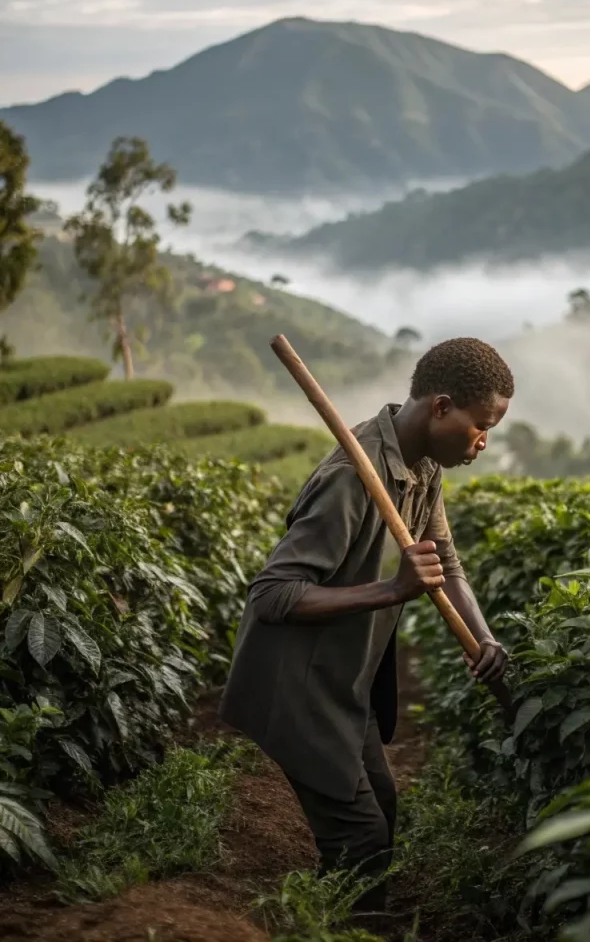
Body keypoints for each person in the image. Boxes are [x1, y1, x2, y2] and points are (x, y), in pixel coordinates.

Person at [218, 336, 514, 912]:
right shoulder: (351, 478)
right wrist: (392, 589)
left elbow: (444, 561)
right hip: (299, 684)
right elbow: (272, 595)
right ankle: (329, 922)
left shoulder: (424, 465)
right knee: (363, 844)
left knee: (383, 808)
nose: (484, 442)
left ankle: (340, 910)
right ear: (441, 407)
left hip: (345, 681)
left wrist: (486, 641)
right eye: (482, 426)